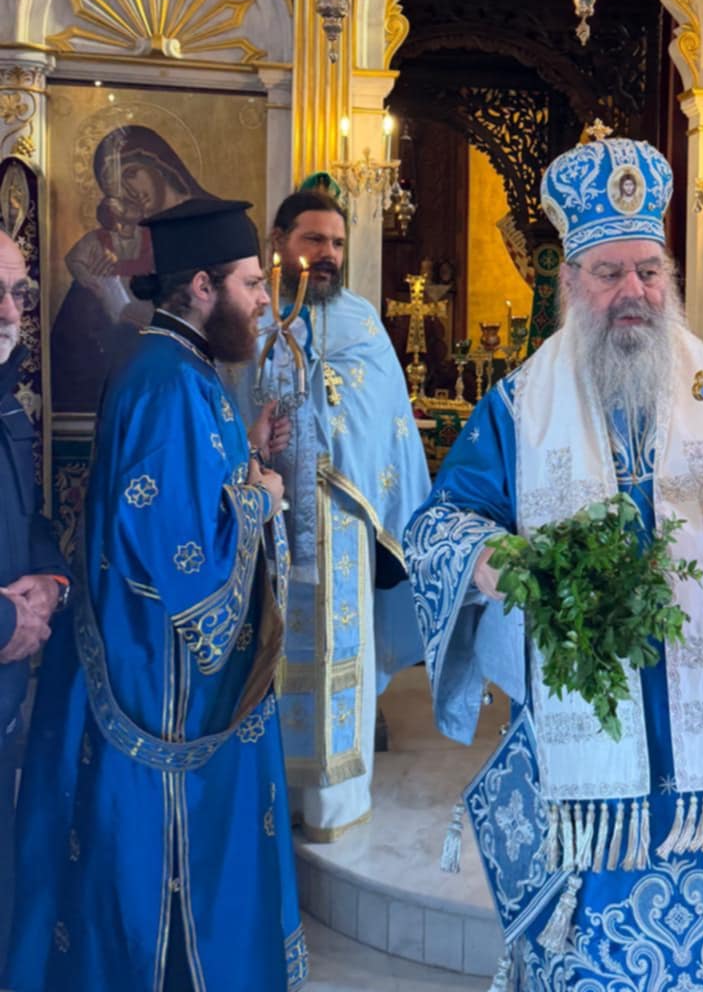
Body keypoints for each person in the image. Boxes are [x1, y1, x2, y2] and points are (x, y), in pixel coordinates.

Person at [404, 137, 703, 989]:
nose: (633, 292)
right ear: (571, 282)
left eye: (648, 270)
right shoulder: (518, 407)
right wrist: (494, 561)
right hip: (592, 729)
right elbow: (438, 527)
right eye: (609, 274)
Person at [5, 198, 307, 992]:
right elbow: (183, 560)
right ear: (202, 286)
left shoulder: (176, 363)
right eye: (251, 283)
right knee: (153, 882)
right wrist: (262, 499)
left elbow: (177, 491)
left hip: (139, 662)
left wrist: (245, 455)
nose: (264, 300)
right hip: (160, 688)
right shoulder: (170, 380)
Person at [230, 189, 429, 842]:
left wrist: (325, 429)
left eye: (337, 243)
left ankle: (332, 807)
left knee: (336, 656)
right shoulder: (248, 320)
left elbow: (386, 424)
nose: (327, 254)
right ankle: (267, 795)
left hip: (340, 522)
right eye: (314, 239)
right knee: (265, 652)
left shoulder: (362, 322)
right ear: (280, 242)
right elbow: (228, 411)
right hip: (259, 524)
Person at [0, 230, 71, 971]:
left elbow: (32, 520)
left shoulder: (8, 405)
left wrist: (50, 584)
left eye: (17, 293)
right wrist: (5, 622)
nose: (9, 312)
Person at [52, 125, 213, 413]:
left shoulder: (211, 222)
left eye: (130, 174)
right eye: (114, 189)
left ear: (159, 163)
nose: (127, 193)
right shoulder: (106, 241)